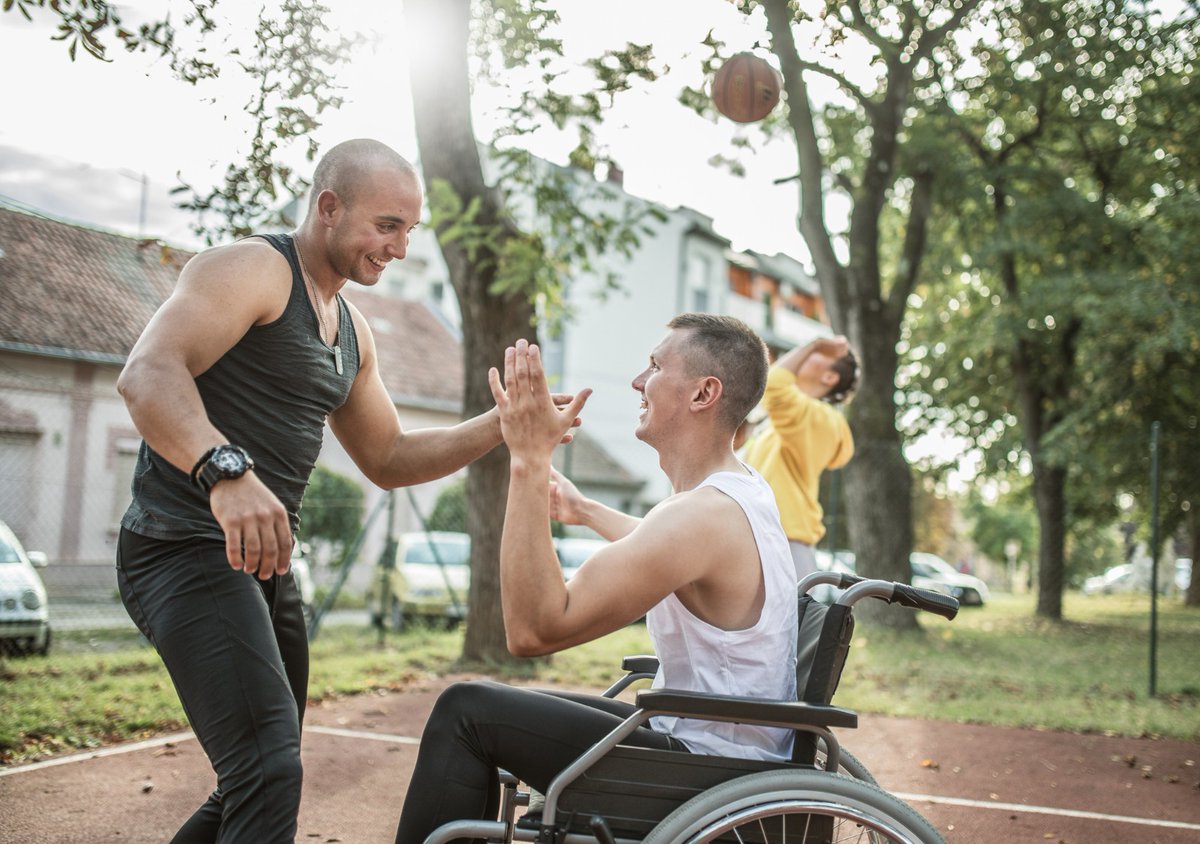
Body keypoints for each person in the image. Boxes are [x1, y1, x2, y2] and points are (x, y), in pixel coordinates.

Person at [115, 139, 511, 844]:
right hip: (181, 545)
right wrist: (224, 472)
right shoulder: (253, 270)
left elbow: (388, 456)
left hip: (261, 565)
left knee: (263, 773)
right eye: (387, 225)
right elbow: (148, 373)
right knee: (267, 772)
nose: (399, 247)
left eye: (409, 230)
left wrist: (501, 423)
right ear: (328, 207)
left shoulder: (353, 331)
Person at [394, 314, 799, 843]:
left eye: (654, 366)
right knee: (489, 708)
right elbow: (669, 550)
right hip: (726, 753)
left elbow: (534, 629)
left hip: (708, 774)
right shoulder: (736, 495)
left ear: (704, 393)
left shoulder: (698, 516)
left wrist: (529, 459)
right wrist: (584, 510)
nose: (637, 381)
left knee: (465, 712)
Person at [741, 334, 858, 580]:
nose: (803, 354)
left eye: (816, 355)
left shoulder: (825, 419)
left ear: (829, 377)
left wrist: (814, 343)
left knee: (791, 619)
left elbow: (772, 383)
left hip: (785, 541)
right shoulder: (782, 421)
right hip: (761, 535)